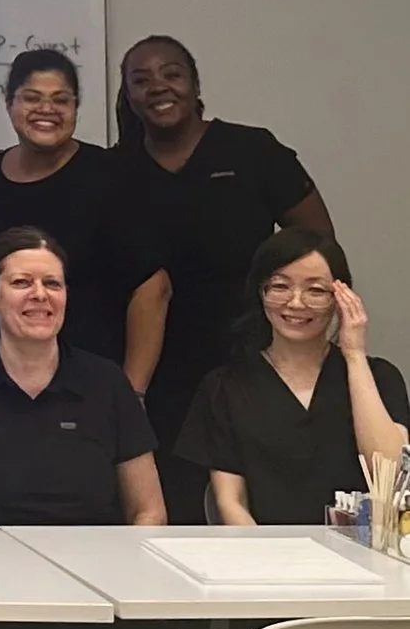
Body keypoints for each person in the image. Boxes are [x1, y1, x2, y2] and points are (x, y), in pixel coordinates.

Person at [113, 34, 333, 520]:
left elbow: (317, 241)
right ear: (127, 96)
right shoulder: (117, 167)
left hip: (250, 352)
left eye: (171, 73)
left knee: (261, 497)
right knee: (174, 502)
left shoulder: (252, 150)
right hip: (158, 367)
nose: (158, 87)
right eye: (141, 80)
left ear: (194, 84)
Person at [0, 228, 166, 528]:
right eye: (22, 282)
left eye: (53, 284)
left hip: (94, 567)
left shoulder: (107, 382)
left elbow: (150, 512)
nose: (40, 294)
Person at [178, 231, 410, 527]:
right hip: (267, 558)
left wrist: (354, 354)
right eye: (279, 286)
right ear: (260, 292)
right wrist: (270, 564)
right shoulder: (225, 386)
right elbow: (230, 502)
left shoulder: (379, 377)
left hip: (366, 559)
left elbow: (389, 480)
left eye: (316, 291)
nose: (296, 303)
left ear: (342, 297)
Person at [0, 49, 165, 378]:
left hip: (89, 382)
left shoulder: (111, 177)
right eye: (31, 98)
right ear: (9, 104)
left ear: (75, 108)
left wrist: (132, 392)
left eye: (60, 100)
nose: (46, 110)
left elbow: (152, 289)